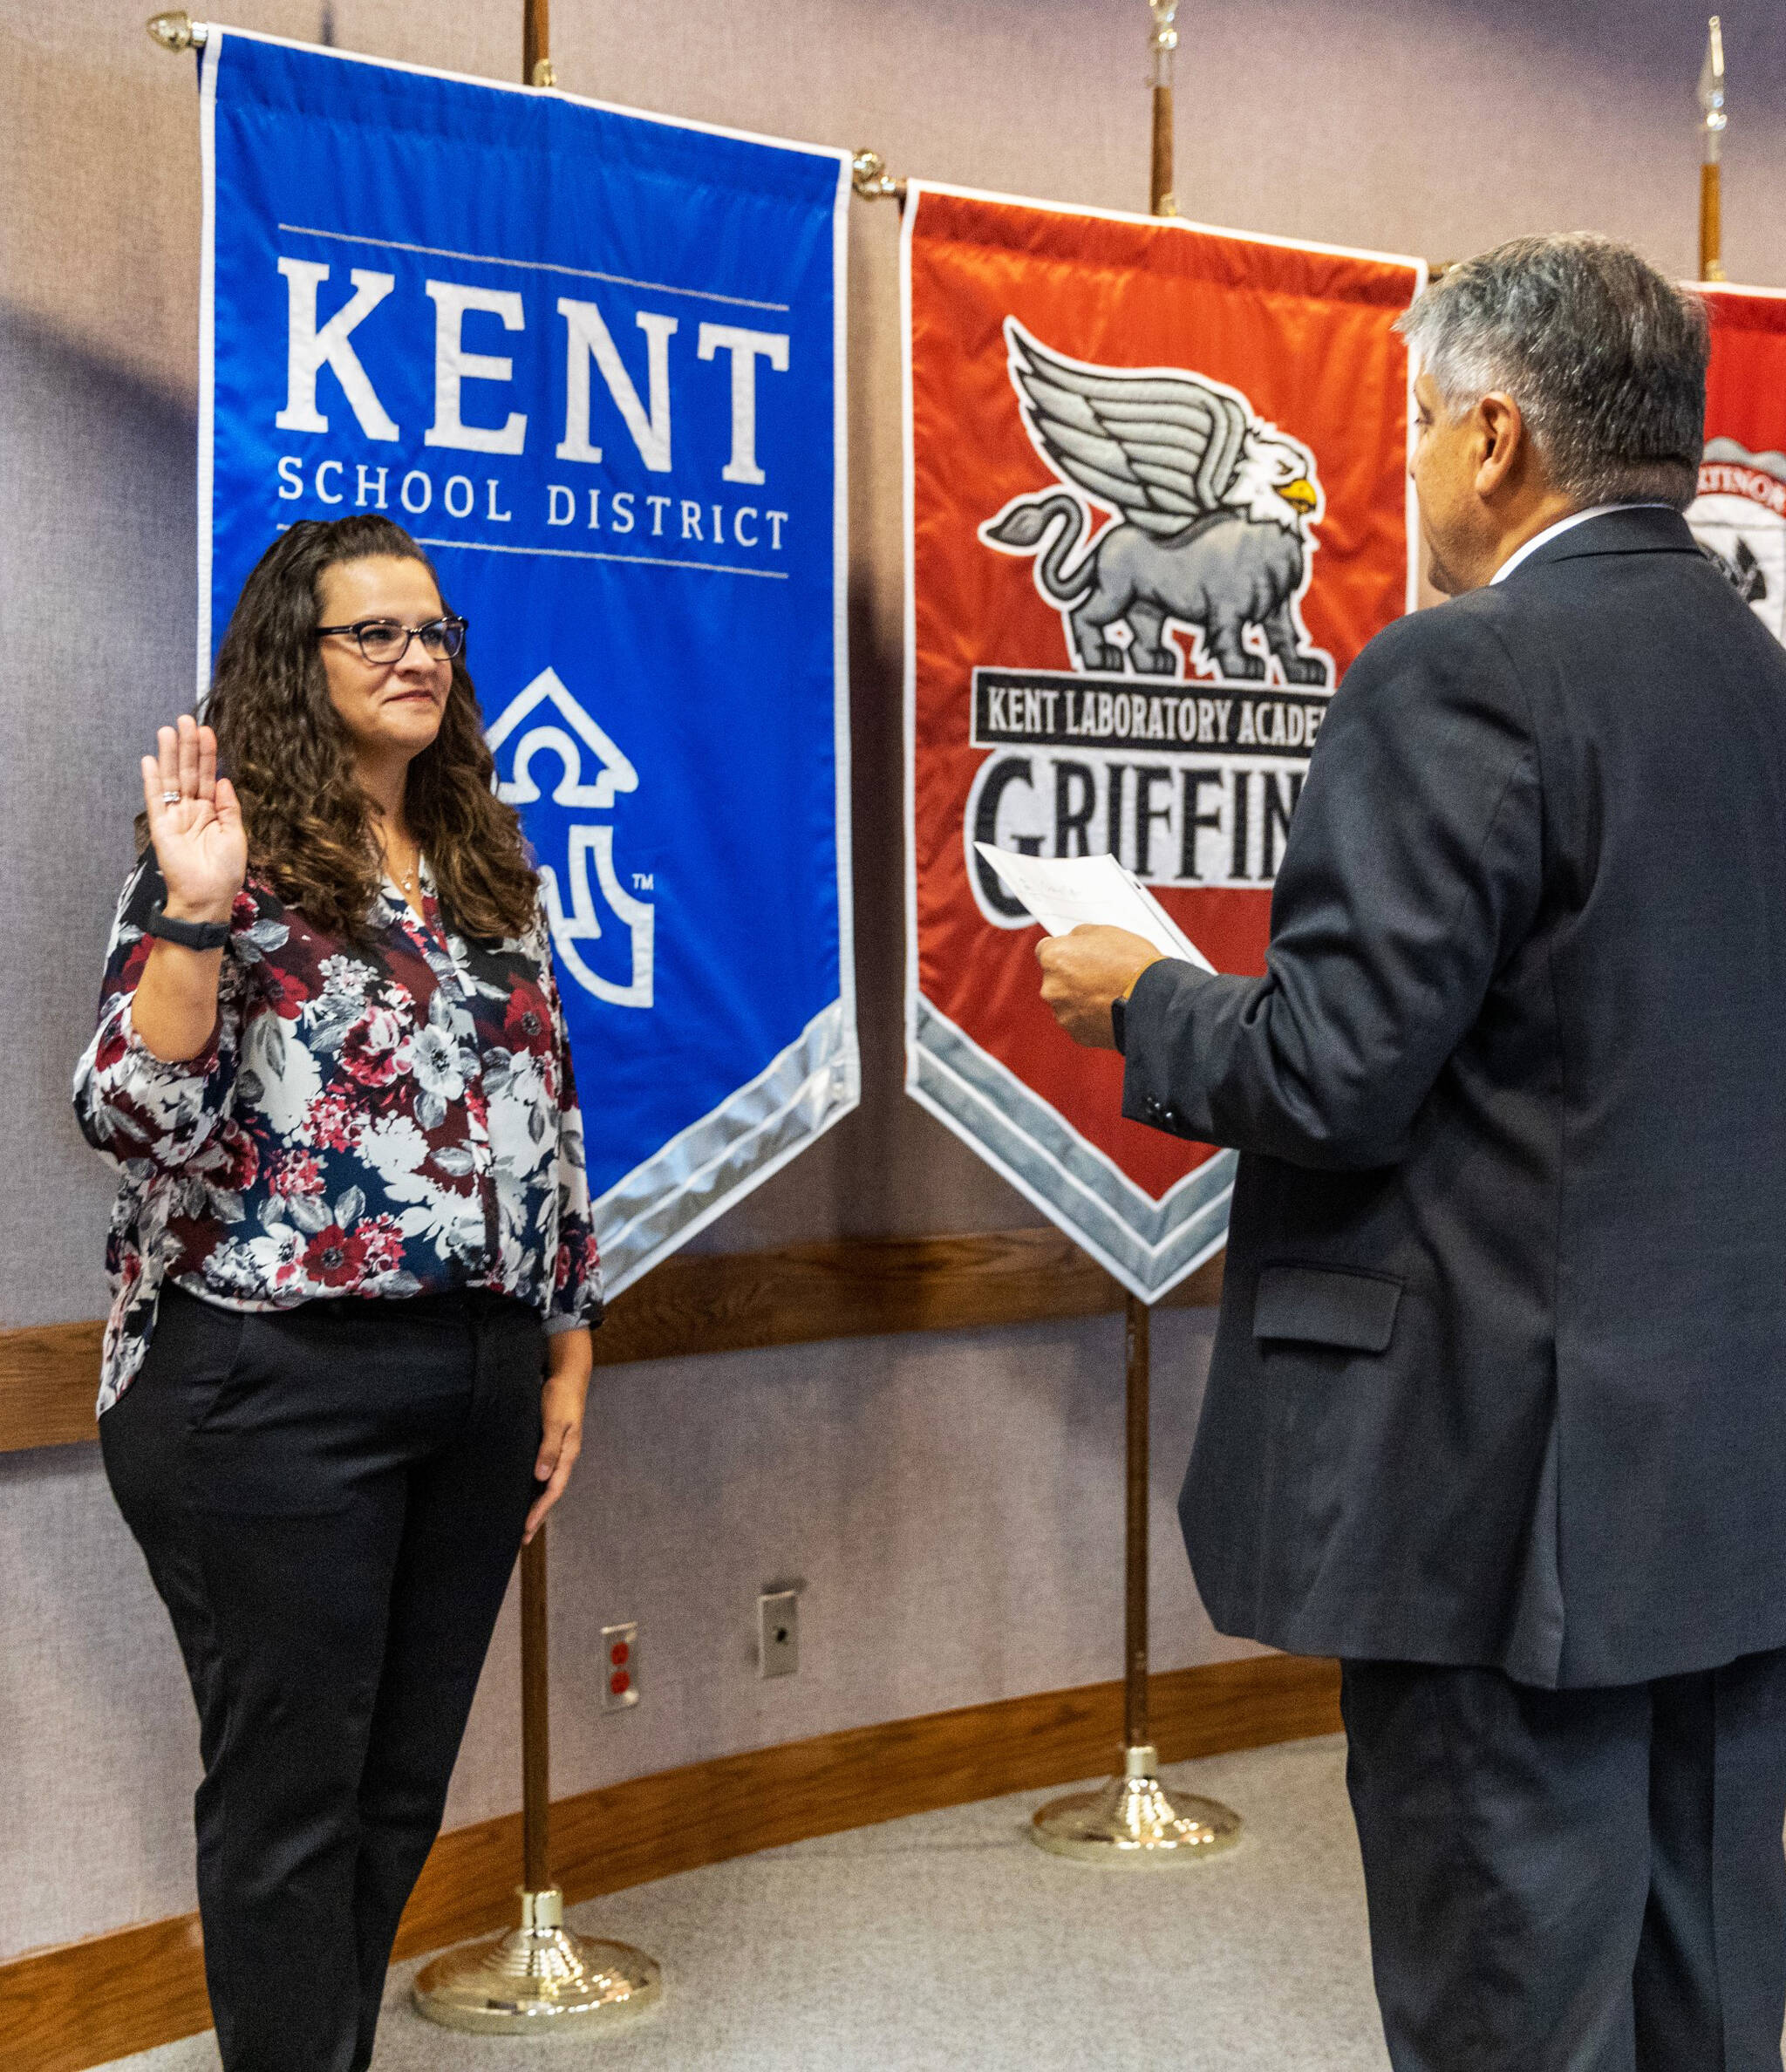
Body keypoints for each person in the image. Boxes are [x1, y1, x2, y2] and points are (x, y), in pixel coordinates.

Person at [1034, 234, 1786, 2072]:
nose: (1411, 460)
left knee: (1505, 2008)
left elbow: (1333, 1071)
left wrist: (1144, 998)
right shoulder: (1762, 686)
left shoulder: (1464, 674)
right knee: (1706, 2000)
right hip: (1730, 1479)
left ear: (1496, 437)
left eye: (1419, 417)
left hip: (1501, 1481)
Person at [72, 513, 602, 2072]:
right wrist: (197, 910)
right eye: (375, 634)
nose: (418, 657)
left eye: (434, 632)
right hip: (266, 1383)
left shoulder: (489, 864)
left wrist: (567, 1341)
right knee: (292, 1804)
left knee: (393, 1793)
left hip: (480, 1374)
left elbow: (547, 1121)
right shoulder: (224, 862)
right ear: (292, 668)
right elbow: (125, 1114)